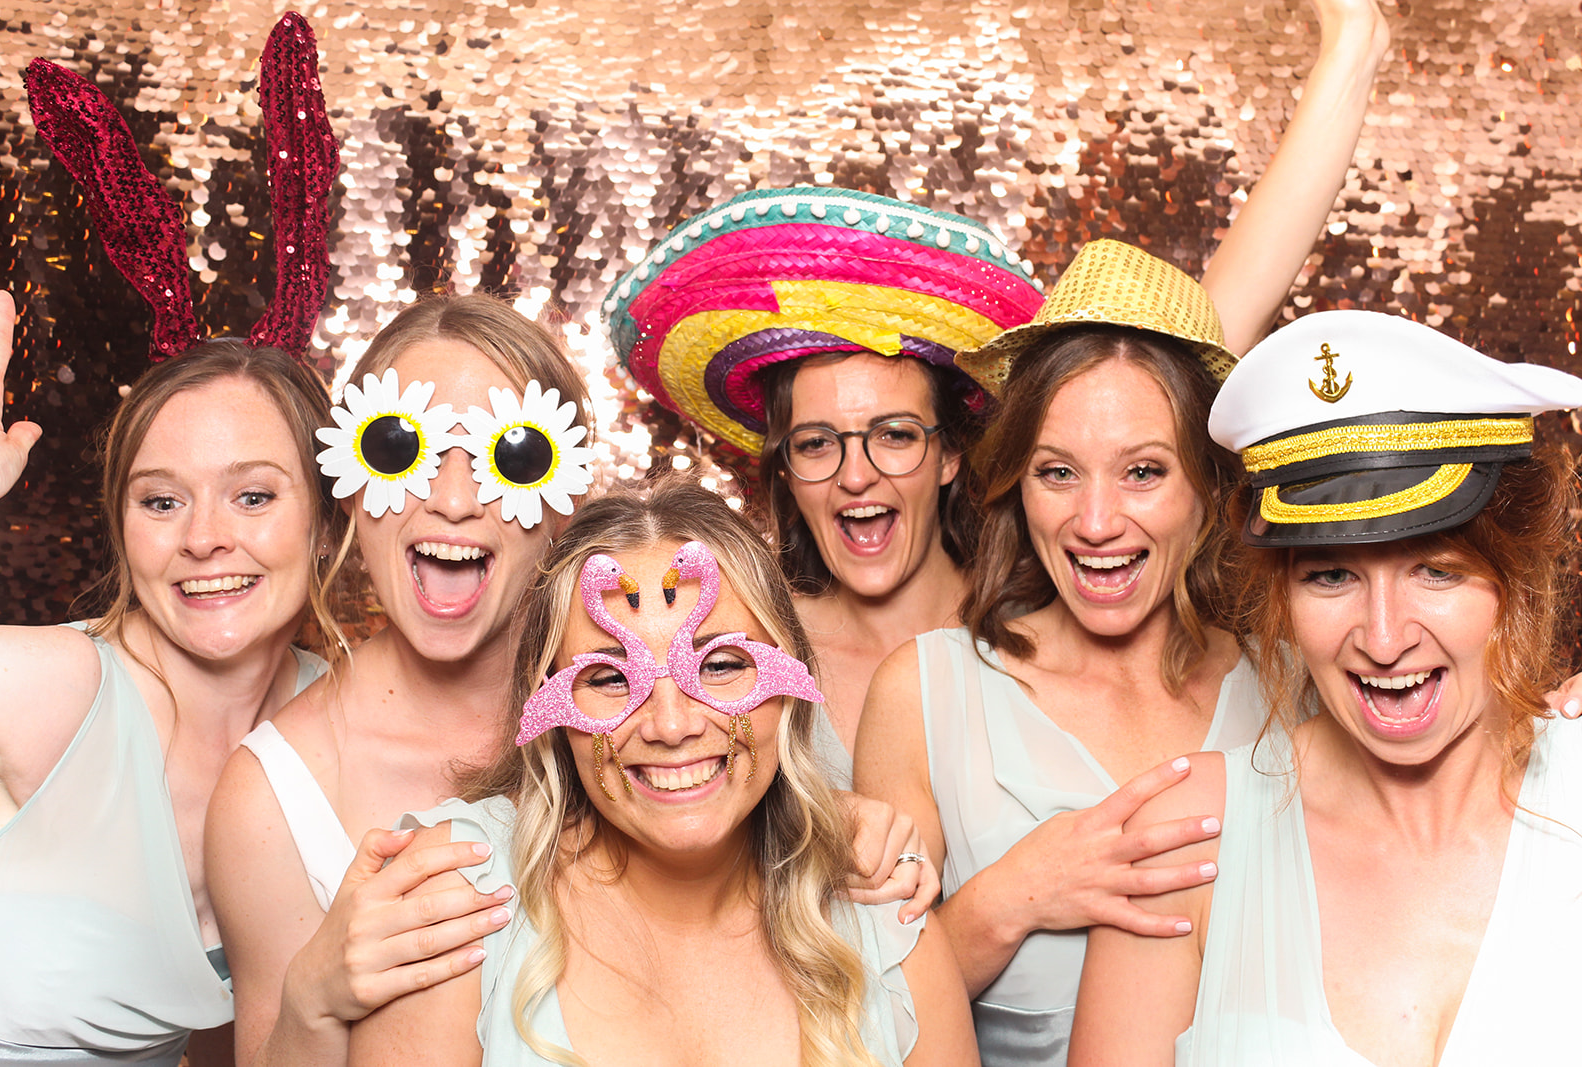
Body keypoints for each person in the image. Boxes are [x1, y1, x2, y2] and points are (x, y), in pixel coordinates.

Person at [607, 0, 1391, 783]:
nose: (856, 474)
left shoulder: (1058, 577)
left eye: (895, 433)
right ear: (781, 464)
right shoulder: (736, 642)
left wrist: (1347, 53)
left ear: (952, 450)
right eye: (816, 442)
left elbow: (1196, 347)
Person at [1070, 310, 1582, 1065]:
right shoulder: (1183, 839)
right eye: (1331, 575)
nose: (1382, 637)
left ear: (1518, 578)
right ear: (1281, 596)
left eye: (1434, 569)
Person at [347, 478, 981, 1066]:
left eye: (721, 666)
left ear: (790, 683)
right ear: (548, 706)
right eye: (608, 679)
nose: (671, 727)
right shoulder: (453, 900)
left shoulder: (881, 909)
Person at [853, 240, 1256, 1065]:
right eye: (1058, 471)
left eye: (1143, 471)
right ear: (1014, 484)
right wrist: (1014, 895)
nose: (1097, 521)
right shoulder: (925, 695)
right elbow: (858, 1017)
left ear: (1209, 489)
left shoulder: (1298, 685)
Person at [205, 293, 597, 1066]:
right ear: (351, 485)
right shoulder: (273, 795)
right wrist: (314, 995)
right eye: (400, 449)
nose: (453, 501)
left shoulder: (650, 714)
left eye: (513, 458)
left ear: (566, 501)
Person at [0, 278, 340, 1066]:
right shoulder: (61, 691)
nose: (204, 538)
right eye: (161, 501)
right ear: (122, 527)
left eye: (252, 495)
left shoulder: (339, 720)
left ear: (325, 523)